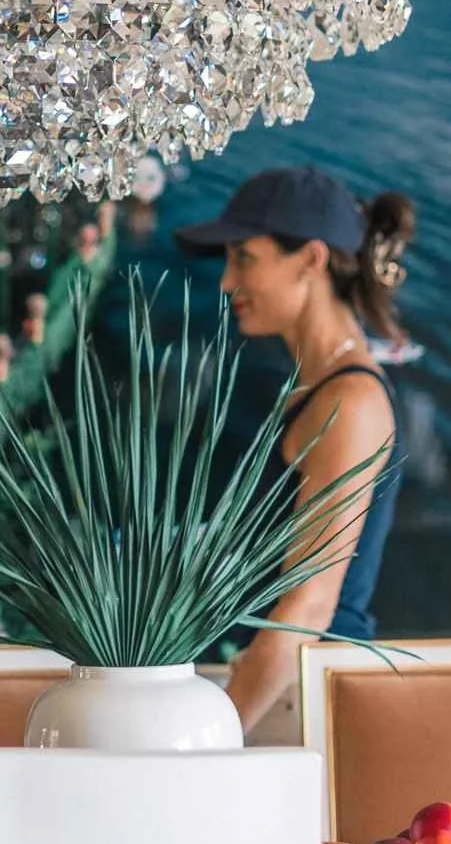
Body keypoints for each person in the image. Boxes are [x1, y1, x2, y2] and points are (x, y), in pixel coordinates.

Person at [172, 166, 417, 739]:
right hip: (277, 695)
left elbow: (307, 610)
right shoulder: (314, 390)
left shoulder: (351, 402)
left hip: (310, 711)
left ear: (310, 258)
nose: (226, 282)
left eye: (245, 259)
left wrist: (206, 752)